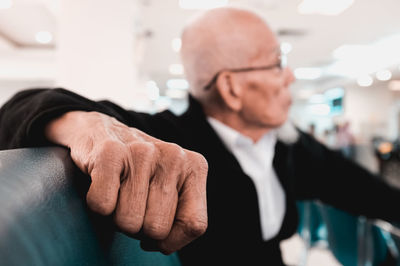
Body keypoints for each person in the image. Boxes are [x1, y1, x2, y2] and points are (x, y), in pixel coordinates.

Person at [0, 7, 400, 266]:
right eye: (278, 64)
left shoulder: (289, 146)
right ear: (231, 88)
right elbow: (23, 106)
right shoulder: (168, 141)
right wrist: (90, 126)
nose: (290, 75)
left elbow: (371, 193)